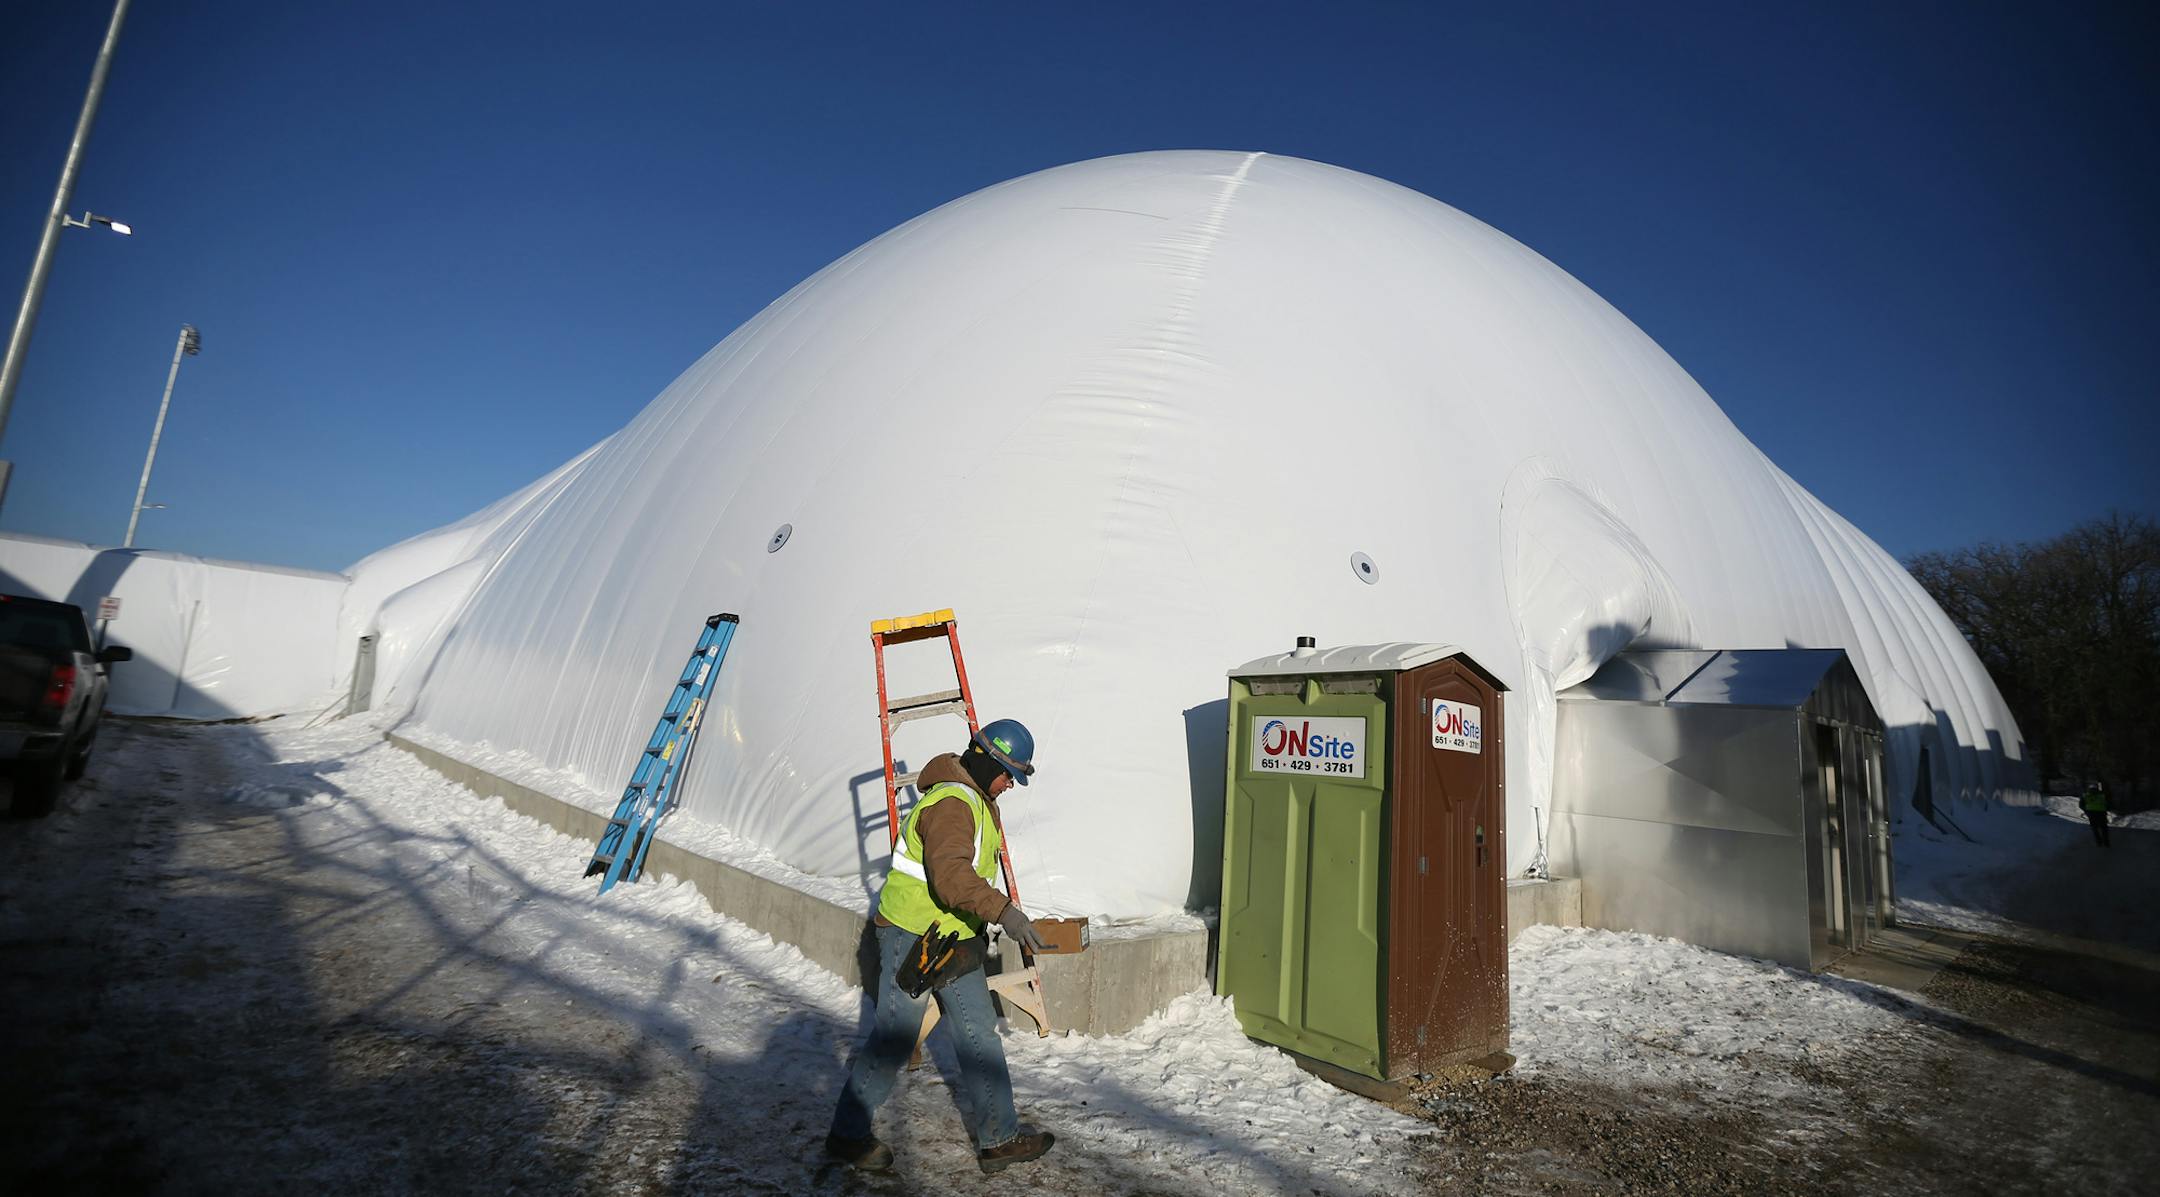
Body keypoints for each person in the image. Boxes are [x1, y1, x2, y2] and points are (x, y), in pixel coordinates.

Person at [826, 718, 1057, 1176]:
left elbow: (970, 876)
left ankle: (999, 1139)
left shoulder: (975, 799)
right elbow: (950, 877)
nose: (1011, 784)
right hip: (911, 935)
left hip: (953, 936)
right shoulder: (953, 803)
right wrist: (1005, 912)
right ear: (988, 759)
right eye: (1010, 773)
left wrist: (991, 914)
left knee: (976, 1033)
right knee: (896, 1038)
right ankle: (847, 1135)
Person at [2081, 780, 2111, 848]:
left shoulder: (2085, 795)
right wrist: (2107, 809)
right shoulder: (2102, 795)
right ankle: (2106, 842)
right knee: (2104, 827)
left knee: (2094, 828)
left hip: (2091, 814)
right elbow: (2108, 804)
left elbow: (2081, 805)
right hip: (2101, 813)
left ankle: (2098, 842)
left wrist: (2086, 810)